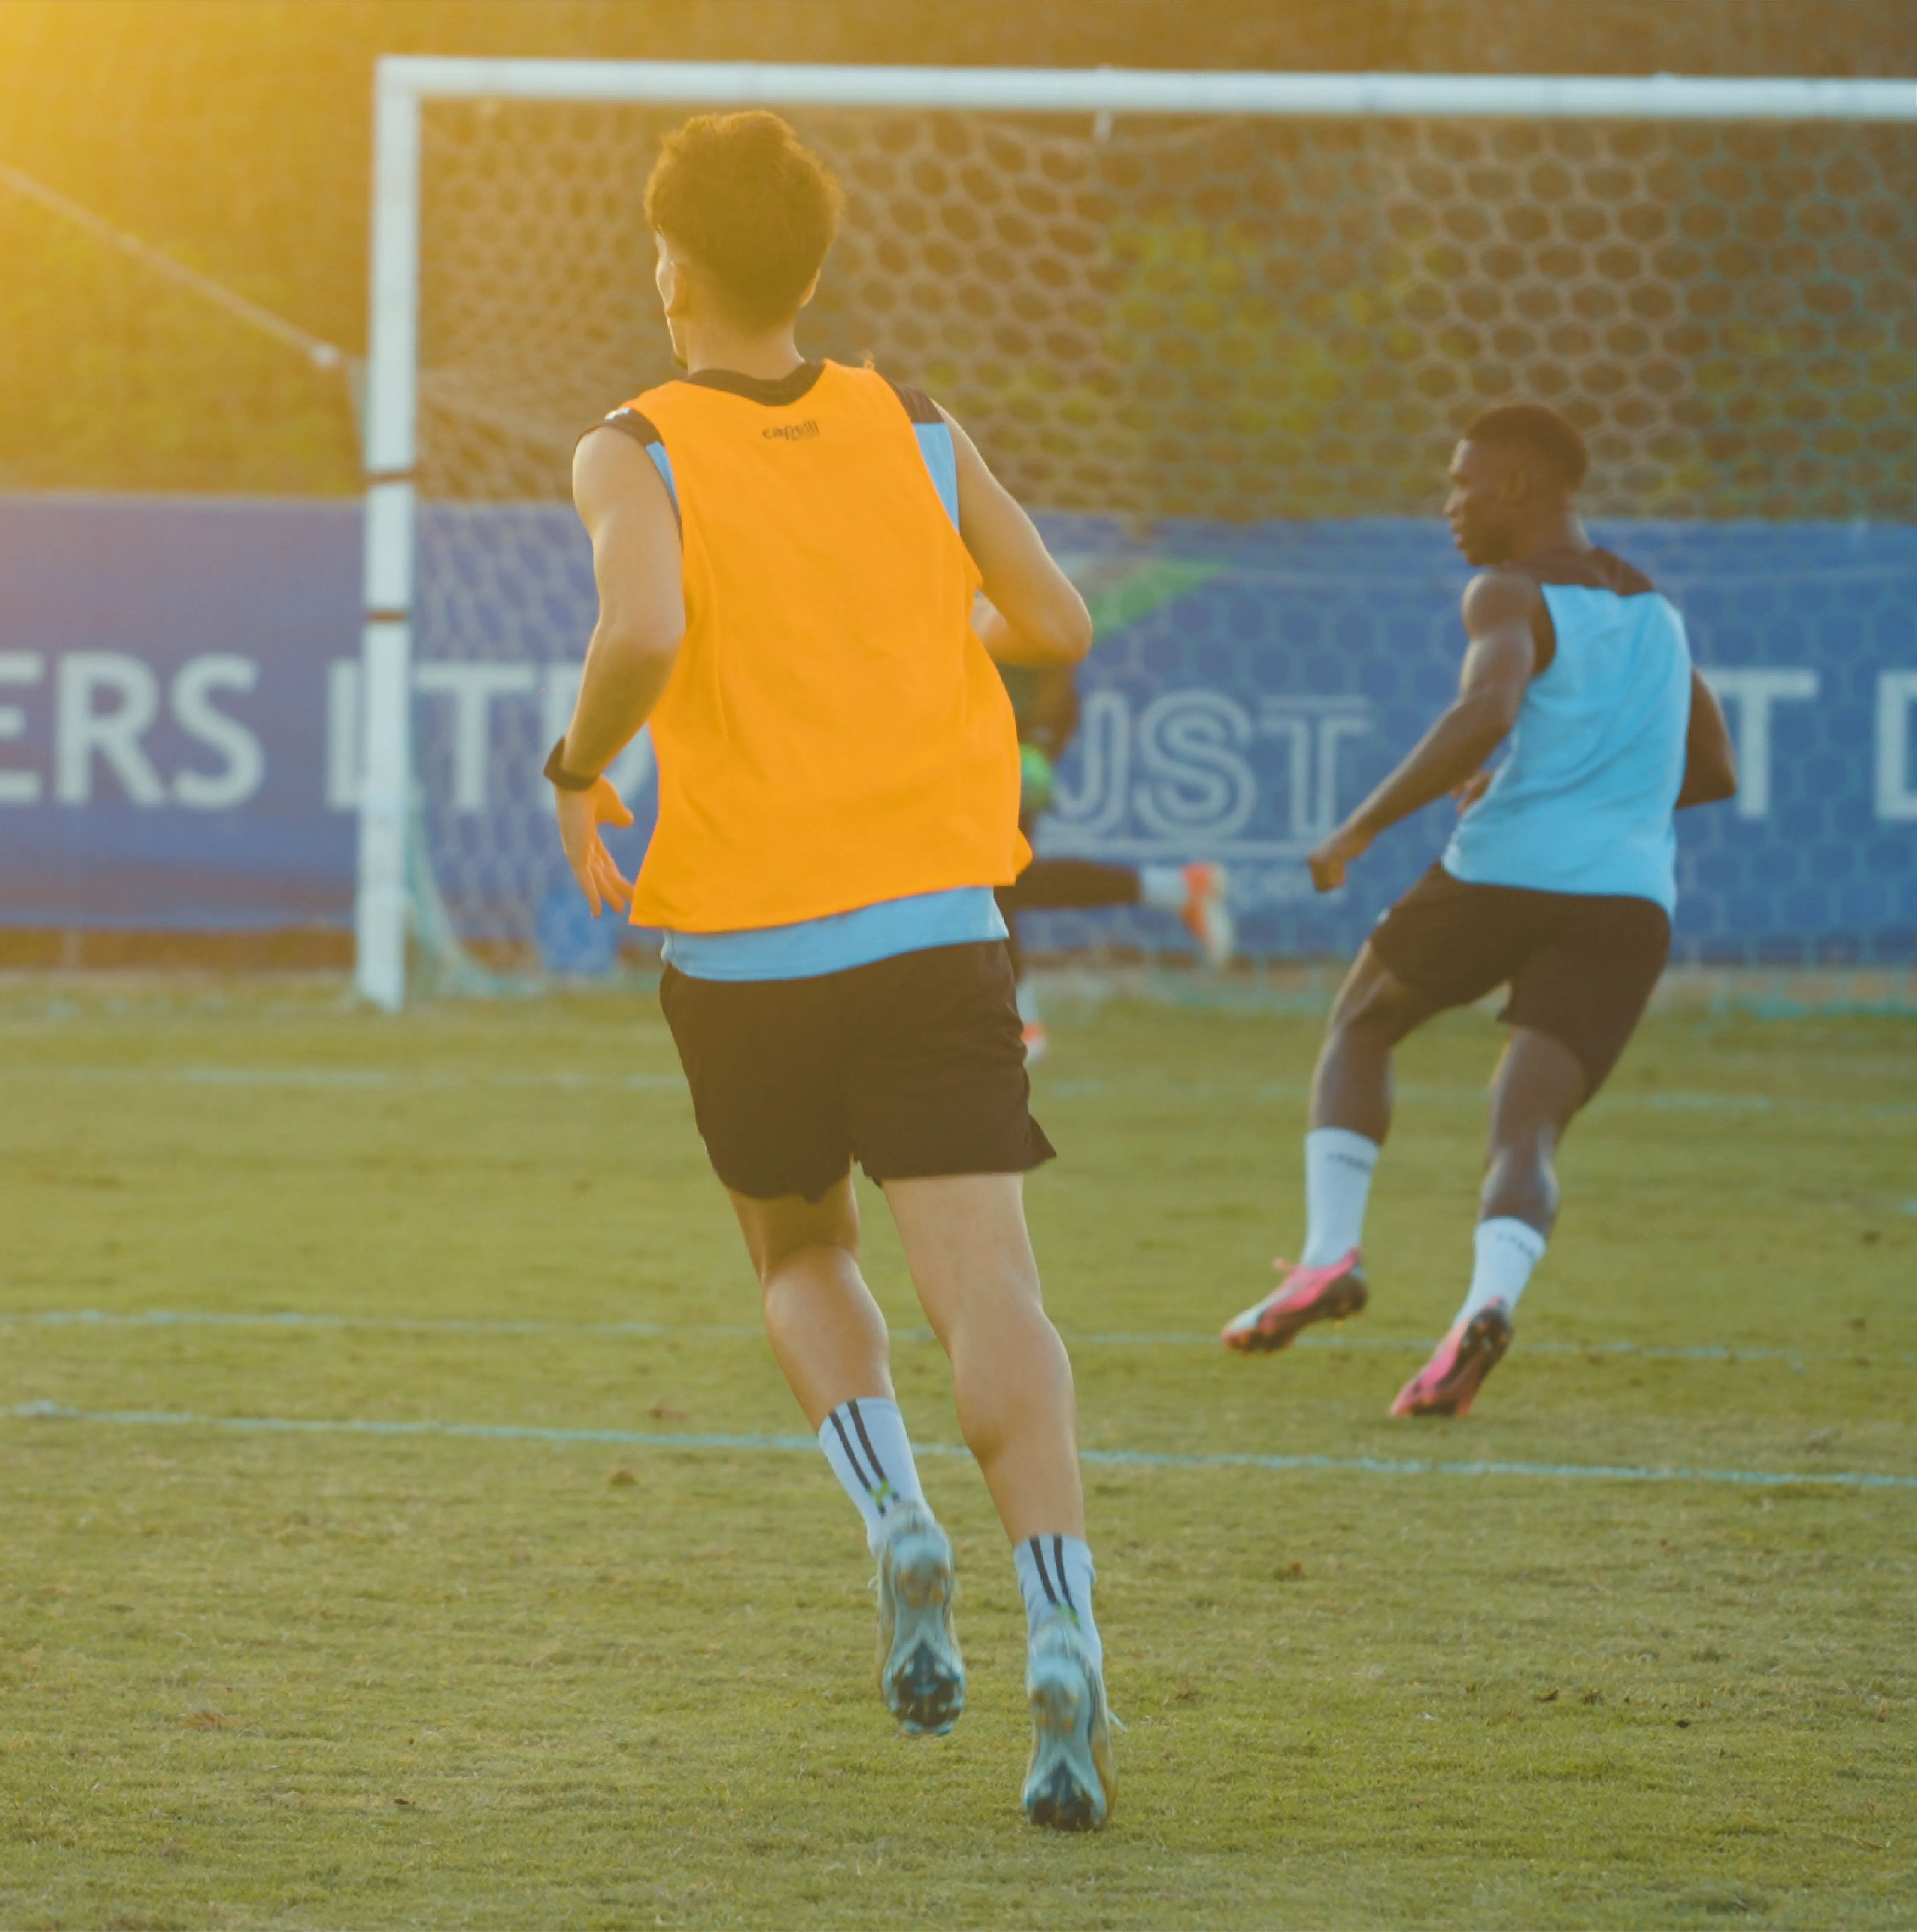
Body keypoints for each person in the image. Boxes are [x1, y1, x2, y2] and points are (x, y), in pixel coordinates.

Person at [544, 111, 1115, 1830]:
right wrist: (929, 634)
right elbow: (1061, 628)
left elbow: (641, 631)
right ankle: (1066, 1638)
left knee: (799, 1249)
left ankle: (893, 1522)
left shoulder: (630, 445)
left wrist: (579, 773)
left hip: (746, 945)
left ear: (674, 270)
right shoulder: (916, 423)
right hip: (938, 927)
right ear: (810, 272)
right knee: (993, 1297)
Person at [1220, 403, 1738, 1414]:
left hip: (1507, 871)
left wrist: (1358, 829)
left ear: (1518, 489)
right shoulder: (1659, 617)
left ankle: (1330, 1258)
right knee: (1529, 1122)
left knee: (1365, 1018)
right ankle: (1484, 1306)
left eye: (1462, 485)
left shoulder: (1507, 591)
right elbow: (1712, 766)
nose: (1449, 506)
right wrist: (1597, 795)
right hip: (1630, 901)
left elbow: (1484, 711)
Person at [997, 661, 1233, 1061]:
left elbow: (1058, 638)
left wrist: (1039, 729)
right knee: (1003, 877)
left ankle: (1024, 1026)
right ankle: (1179, 889)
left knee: (991, 877)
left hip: (1013, 721)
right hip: (982, 712)